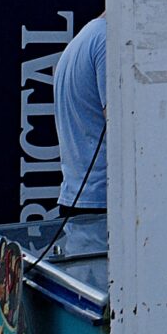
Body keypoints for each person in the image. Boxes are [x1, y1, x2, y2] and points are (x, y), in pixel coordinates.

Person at [53, 12, 108, 217]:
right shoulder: (107, 40)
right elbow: (119, 125)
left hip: (80, 198)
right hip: (99, 203)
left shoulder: (84, 37)